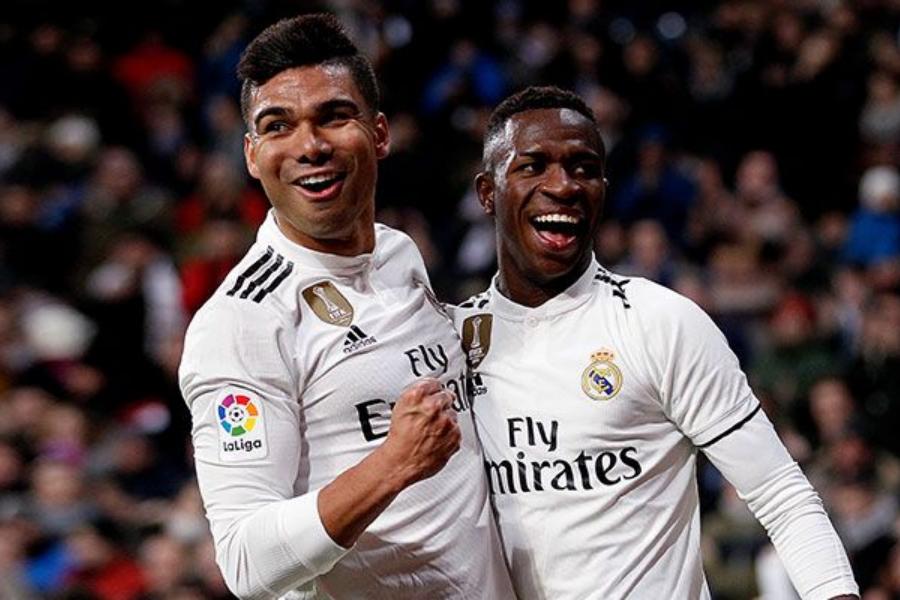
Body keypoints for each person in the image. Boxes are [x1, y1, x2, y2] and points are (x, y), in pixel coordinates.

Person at [450, 85, 859, 600]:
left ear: (603, 189)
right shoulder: (452, 342)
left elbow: (780, 494)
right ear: (487, 193)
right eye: (533, 166)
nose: (563, 185)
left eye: (583, 168)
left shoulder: (660, 321)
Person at [179, 14, 514, 599]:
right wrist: (392, 464)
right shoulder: (242, 321)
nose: (310, 146)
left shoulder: (397, 253)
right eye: (278, 126)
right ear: (252, 155)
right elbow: (246, 561)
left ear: (379, 134)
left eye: (333, 117)